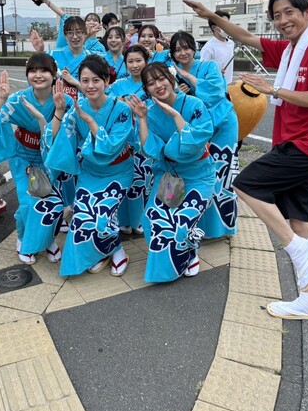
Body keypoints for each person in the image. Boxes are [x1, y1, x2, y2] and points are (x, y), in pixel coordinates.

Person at [183, 0, 308, 320]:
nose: (283, 20)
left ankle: (295, 248)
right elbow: (244, 36)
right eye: (277, 15)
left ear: (307, 13)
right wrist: (210, 16)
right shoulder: (288, 49)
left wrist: (274, 90)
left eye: (289, 13)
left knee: (245, 184)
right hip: (292, 142)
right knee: (300, 221)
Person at [0, 54, 73, 265]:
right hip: (24, 158)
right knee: (29, 202)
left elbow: (69, 135)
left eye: (44, 70)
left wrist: (50, 115)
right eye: (33, 71)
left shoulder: (64, 101)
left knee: (51, 202)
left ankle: (48, 240)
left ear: (53, 74)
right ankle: (24, 239)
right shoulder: (18, 99)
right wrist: (0, 99)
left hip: (50, 159)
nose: (38, 75)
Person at [44, 55, 134, 277]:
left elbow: (111, 147)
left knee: (103, 214)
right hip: (90, 173)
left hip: (118, 171)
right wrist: (58, 111)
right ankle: (105, 251)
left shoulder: (122, 109)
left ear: (106, 81)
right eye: (85, 81)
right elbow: (59, 140)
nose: (90, 86)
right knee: (82, 219)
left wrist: (91, 122)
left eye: (96, 80)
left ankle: (117, 250)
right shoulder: (76, 109)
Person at [126, 63, 215, 283]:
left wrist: (175, 115)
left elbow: (196, 141)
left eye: (161, 79)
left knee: (181, 221)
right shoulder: (149, 111)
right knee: (153, 218)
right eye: (151, 83)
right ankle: (175, 258)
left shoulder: (194, 104)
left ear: (171, 78)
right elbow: (150, 149)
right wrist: (142, 118)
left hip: (198, 176)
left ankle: (189, 250)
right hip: (168, 177)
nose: (158, 85)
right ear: (146, 89)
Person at [170, 31, 238, 238]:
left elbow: (215, 93)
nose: (183, 53)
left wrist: (189, 78)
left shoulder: (209, 66)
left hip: (222, 124)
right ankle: (193, 224)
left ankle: (221, 227)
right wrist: (179, 90)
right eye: (177, 50)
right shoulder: (170, 73)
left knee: (222, 173)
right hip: (196, 129)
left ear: (194, 48)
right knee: (198, 173)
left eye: (186, 48)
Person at [110, 44, 152, 235]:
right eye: (130, 61)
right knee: (124, 180)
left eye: (138, 61)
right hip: (123, 139)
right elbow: (109, 106)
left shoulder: (153, 83)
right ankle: (123, 221)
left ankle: (140, 219)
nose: (135, 65)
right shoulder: (117, 85)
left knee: (143, 180)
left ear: (146, 61)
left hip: (145, 136)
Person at [200, 10, 235, 85]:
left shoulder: (231, 43)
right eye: (223, 24)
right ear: (214, 27)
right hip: (216, 86)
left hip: (229, 83)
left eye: (228, 23)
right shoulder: (209, 47)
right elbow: (202, 70)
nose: (227, 27)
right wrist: (214, 72)